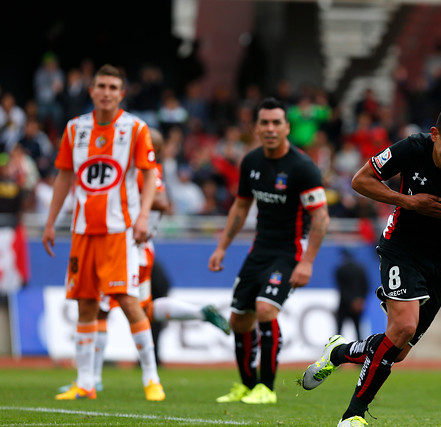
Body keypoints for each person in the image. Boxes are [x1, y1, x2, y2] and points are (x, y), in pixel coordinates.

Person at [302, 104, 441, 426]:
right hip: (401, 248)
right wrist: (408, 201)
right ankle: (353, 417)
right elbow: (361, 181)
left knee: (398, 348)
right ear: (435, 136)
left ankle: (338, 353)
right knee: (403, 328)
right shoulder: (412, 148)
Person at [57, 127, 230, 394]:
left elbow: (162, 201)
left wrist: (131, 205)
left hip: (130, 249)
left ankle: (102, 377)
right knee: (136, 309)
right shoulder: (138, 171)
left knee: (113, 307)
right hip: (132, 248)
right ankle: (94, 377)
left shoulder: (145, 172)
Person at [42, 64, 163, 401]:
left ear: (121, 93)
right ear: (91, 90)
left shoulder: (136, 129)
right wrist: (51, 222)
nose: (106, 92)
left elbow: (150, 174)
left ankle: (151, 378)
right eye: (101, 86)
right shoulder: (74, 129)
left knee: (126, 299)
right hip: (82, 231)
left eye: (113, 87)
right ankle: (85, 383)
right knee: (85, 304)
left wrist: (141, 217)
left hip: (118, 230)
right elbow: (65, 177)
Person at [209, 97, 330, 404]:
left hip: (289, 253)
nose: (271, 128)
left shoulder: (302, 167)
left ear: (287, 127)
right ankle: (248, 386)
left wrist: (307, 261)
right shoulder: (251, 162)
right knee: (239, 320)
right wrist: (222, 247)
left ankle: (267, 388)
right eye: (265, 122)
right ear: (257, 127)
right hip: (258, 250)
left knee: (265, 310)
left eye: (277, 122)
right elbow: (240, 206)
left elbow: (320, 216)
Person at [334, 248, 369, 340]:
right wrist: (360, 300)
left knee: (339, 329)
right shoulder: (361, 269)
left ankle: (335, 348)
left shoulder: (340, 269)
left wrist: (351, 301)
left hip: (344, 304)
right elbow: (366, 286)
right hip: (358, 303)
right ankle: (361, 350)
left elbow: (342, 288)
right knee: (358, 328)